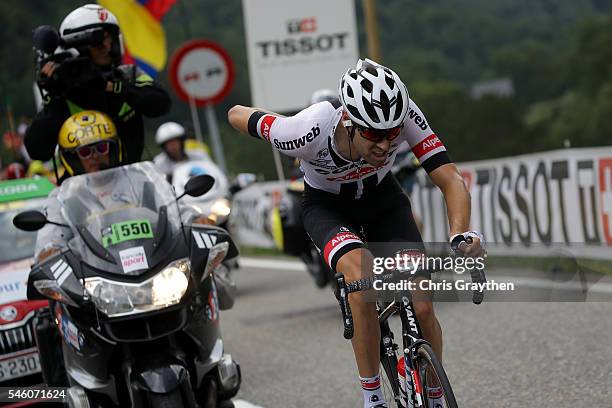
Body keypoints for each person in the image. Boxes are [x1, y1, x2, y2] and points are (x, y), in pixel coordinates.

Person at [228, 58, 485, 408]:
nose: (384, 145)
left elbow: (450, 178)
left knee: (423, 306)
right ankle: (373, 397)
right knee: (362, 280)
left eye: (392, 134)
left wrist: (459, 233)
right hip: (327, 207)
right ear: (349, 119)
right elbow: (237, 113)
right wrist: (265, 119)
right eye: (374, 134)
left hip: (383, 201)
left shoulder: (404, 114)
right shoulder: (305, 130)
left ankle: (436, 393)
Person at [25, 4, 170, 169]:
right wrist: (54, 99)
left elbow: (161, 103)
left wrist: (109, 86)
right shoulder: (63, 90)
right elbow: (37, 151)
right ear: (77, 47)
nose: (107, 47)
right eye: (98, 43)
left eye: (110, 40)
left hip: (133, 185)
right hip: (81, 190)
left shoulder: (128, 74)